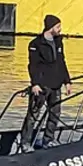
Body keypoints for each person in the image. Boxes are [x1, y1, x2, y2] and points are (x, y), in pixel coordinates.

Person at [21, 14, 72, 150]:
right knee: (33, 115)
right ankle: (25, 142)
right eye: (58, 26)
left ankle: (48, 140)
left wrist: (67, 81)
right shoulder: (35, 44)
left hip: (56, 84)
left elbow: (62, 62)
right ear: (50, 27)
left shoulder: (58, 41)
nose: (60, 29)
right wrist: (35, 83)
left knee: (55, 113)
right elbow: (33, 65)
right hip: (42, 85)